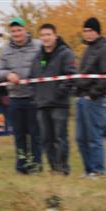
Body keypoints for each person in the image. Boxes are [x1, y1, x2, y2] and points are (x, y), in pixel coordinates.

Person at [0, 17, 43, 174]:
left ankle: (36, 166)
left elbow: (46, 62)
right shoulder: (5, 49)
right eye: (13, 31)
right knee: (19, 135)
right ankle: (21, 166)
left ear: (25, 30)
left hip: (34, 96)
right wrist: (8, 74)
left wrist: (40, 73)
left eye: (19, 30)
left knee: (35, 134)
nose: (16, 33)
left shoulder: (38, 45)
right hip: (15, 98)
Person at [29, 23, 76, 175]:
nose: (46, 38)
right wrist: (35, 95)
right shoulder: (38, 56)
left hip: (59, 104)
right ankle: (53, 167)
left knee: (60, 137)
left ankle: (63, 168)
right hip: (42, 104)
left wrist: (59, 92)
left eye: (48, 34)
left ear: (55, 35)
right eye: (42, 35)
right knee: (46, 138)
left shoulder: (65, 53)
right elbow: (31, 78)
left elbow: (71, 76)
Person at [74, 17, 106, 179]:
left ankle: (99, 171)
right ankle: (89, 171)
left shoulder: (105, 48)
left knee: (94, 136)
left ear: (97, 31)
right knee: (81, 138)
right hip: (82, 98)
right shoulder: (88, 49)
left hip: (95, 99)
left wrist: (93, 94)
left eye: (91, 30)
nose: (88, 34)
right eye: (85, 31)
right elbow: (83, 74)